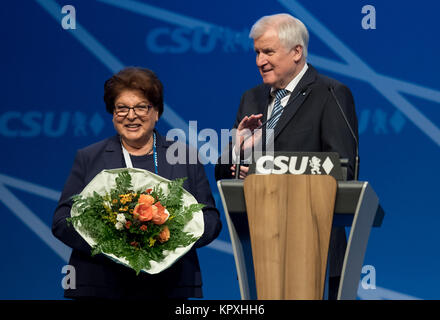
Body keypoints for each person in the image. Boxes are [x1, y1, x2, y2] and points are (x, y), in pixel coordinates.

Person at [215, 14, 358, 299]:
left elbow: (342, 169)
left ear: (296, 52)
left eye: (268, 52)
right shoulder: (251, 98)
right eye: (257, 52)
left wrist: (272, 174)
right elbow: (224, 172)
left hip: (315, 245)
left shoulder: (330, 93)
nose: (259, 61)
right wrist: (237, 152)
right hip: (262, 244)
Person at [53, 67, 222, 299]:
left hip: (168, 286)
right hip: (101, 285)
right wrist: (109, 241)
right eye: (121, 108)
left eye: (141, 107)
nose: (131, 116)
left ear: (157, 112)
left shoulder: (185, 157)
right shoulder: (89, 157)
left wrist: (168, 239)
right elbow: (62, 221)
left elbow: (210, 221)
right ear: (112, 114)